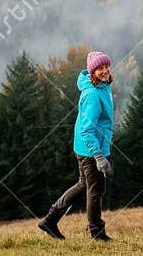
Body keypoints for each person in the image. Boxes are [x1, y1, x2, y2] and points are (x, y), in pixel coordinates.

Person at [39, 51, 116, 242]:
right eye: (100, 68)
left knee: (84, 185)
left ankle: (50, 220)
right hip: (91, 149)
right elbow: (86, 130)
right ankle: (97, 233)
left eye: (106, 66)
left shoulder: (102, 87)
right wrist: (98, 156)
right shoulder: (92, 94)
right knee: (95, 190)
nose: (105, 70)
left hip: (88, 147)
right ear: (92, 72)